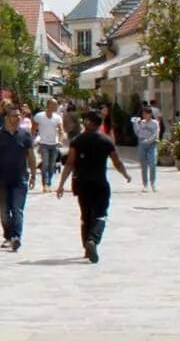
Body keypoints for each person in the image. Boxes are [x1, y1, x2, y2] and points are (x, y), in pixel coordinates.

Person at [56, 110, 130, 262]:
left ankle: (86, 247)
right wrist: (125, 174)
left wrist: (61, 184)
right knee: (100, 215)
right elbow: (116, 162)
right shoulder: (106, 140)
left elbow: (70, 163)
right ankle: (93, 240)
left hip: (81, 184)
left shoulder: (78, 140)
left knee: (86, 216)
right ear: (100, 124)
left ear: (87, 123)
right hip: (100, 183)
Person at [0, 106, 38, 252]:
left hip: (20, 178)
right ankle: (8, 236)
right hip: (2, 178)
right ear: (7, 118)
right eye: (13, 116)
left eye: (18, 116)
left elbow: (31, 156)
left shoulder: (25, 135)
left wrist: (33, 174)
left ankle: (16, 237)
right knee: (4, 211)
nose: (16, 119)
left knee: (17, 209)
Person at [33, 98, 65, 189]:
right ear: (48, 105)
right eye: (54, 105)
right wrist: (32, 140)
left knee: (52, 165)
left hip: (54, 144)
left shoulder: (57, 117)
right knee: (45, 163)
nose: (56, 106)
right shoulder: (39, 116)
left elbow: (61, 131)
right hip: (43, 143)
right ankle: (45, 183)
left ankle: (49, 182)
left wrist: (60, 141)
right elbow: (33, 129)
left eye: (56, 105)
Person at [132, 105, 161, 192]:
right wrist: (135, 123)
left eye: (146, 113)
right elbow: (138, 132)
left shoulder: (155, 123)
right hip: (142, 144)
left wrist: (148, 141)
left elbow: (156, 134)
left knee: (152, 163)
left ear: (150, 114)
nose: (144, 115)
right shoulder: (142, 122)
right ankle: (145, 184)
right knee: (143, 165)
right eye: (143, 114)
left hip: (151, 144)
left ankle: (153, 183)